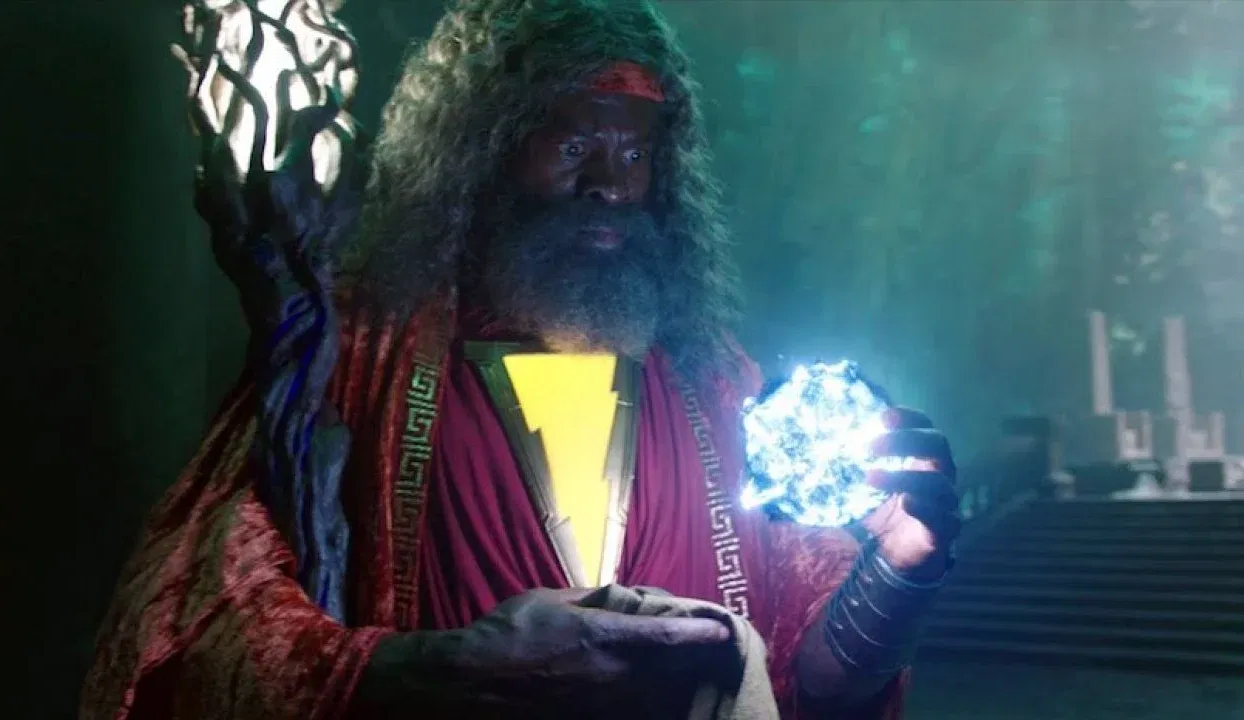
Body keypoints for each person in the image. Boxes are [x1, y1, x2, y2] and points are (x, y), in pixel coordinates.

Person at [82, 1, 960, 718]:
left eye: (634, 153)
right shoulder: (351, 356)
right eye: (574, 147)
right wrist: (426, 672)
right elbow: (197, 618)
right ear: (483, 154)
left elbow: (809, 680)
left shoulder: (716, 382)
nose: (609, 184)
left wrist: (900, 569)